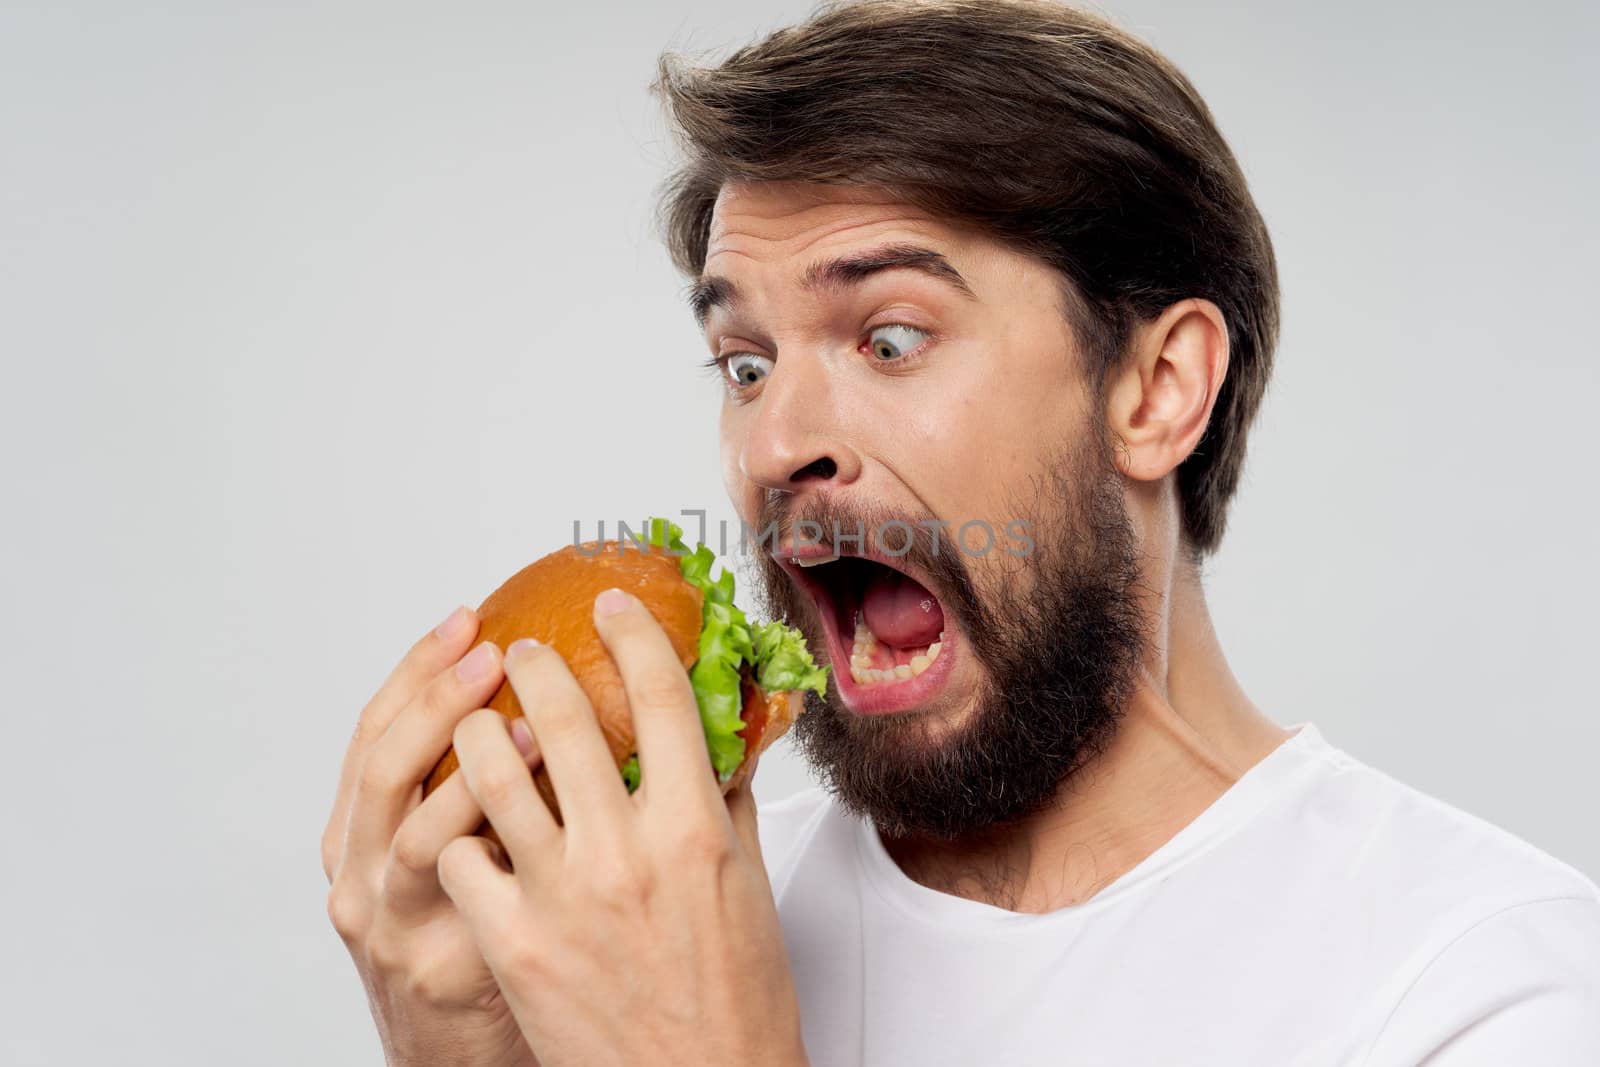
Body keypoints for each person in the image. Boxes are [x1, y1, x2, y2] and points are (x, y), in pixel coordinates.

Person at [321, 1, 1600, 1063]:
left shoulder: (1474, 981)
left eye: (889, 336)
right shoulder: (641, 927)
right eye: (745, 362)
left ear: (1155, 390)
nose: (773, 448)